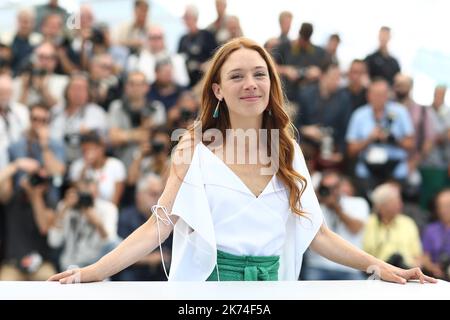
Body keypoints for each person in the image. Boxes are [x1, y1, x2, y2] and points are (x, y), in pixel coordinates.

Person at [49, 38, 435, 284]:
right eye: (236, 76)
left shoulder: (289, 150)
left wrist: (378, 266)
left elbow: (318, 234)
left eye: (258, 74)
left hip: (274, 290)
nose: (250, 83)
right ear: (217, 89)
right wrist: (91, 273)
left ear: (271, 83)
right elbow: (158, 227)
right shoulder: (193, 149)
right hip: (208, 293)